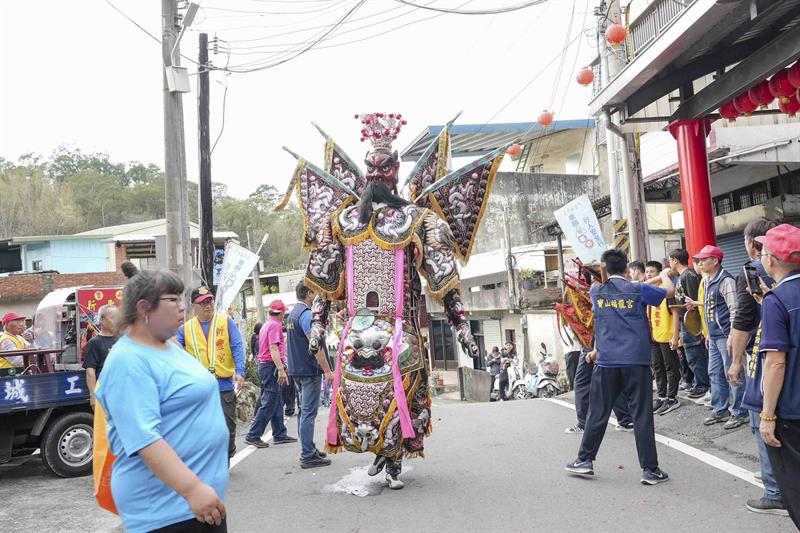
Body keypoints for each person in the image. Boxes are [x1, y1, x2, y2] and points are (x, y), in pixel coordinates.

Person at [278, 112, 484, 490]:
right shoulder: (342, 222)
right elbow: (325, 280)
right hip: (355, 329)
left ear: (395, 172)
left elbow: (443, 279)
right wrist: (319, 324)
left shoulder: (420, 220)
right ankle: (382, 451)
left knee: (402, 392)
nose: (376, 176)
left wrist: (462, 328)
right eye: (371, 168)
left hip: (400, 328)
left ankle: (393, 459)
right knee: (359, 396)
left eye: (383, 168)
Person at [95, 267, 229, 532]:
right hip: (167, 511)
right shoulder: (128, 361)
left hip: (197, 504)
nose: (182, 307)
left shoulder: (168, 346)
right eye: (173, 300)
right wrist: (191, 489)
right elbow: (145, 438)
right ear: (144, 308)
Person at [566, 249, 674, 485]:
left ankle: (584, 460)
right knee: (642, 415)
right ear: (627, 269)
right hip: (636, 361)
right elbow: (668, 291)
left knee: (598, 412)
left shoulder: (596, 291)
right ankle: (650, 469)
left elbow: (612, 282)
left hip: (606, 362)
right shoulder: (638, 289)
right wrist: (665, 274)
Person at [726, 219, 786, 515]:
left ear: (752, 244)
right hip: (791, 353)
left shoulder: (751, 271)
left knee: (762, 418)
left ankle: (774, 489)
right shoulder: (792, 273)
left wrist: (736, 361)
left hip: (766, 357)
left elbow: (743, 321)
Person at [752, 224, 800, 528]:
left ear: (770, 260)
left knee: (795, 489)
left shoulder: (777, 300)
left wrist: (767, 416)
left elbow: (775, 363)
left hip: (792, 412)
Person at [175, 287, 246, 460]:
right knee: (203, 427)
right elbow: (174, 353)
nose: (208, 306)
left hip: (223, 385)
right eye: (203, 303)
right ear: (194, 306)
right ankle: (214, 460)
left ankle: (228, 452)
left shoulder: (225, 321)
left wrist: (240, 371)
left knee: (227, 425)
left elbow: (237, 345)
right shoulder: (185, 329)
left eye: (210, 301)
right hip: (199, 388)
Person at [693, 245, 747, 430]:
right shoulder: (708, 280)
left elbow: (734, 310)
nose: (699, 263)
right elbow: (710, 307)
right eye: (698, 260)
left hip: (725, 335)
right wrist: (708, 333)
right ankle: (720, 409)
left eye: (703, 260)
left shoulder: (726, 281)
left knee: (732, 372)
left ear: (715, 261)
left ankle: (740, 411)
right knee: (715, 372)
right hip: (714, 336)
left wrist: (733, 335)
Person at [287, 283, 335, 469]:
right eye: (315, 292)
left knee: (303, 412)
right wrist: (327, 370)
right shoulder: (307, 315)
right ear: (309, 294)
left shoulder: (293, 314)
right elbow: (315, 346)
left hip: (297, 370)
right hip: (309, 370)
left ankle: (309, 448)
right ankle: (307, 454)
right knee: (308, 412)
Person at [244, 300, 298, 448]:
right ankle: (253, 434)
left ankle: (279, 433)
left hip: (266, 365)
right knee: (269, 401)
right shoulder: (275, 326)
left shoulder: (267, 324)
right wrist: (281, 368)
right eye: (283, 313)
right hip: (270, 366)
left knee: (276, 399)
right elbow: (273, 348)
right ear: (280, 313)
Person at [668, 249, 709, 400]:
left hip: (691, 321)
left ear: (675, 260)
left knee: (695, 354)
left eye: (670, 260)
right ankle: (700, 383)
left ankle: (702, 385)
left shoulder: (688, 276)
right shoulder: (682, 276)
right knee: (691, 355)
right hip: (686, 321)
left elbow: (694, 301)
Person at [645, 261, 681, 415]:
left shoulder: (666, 289)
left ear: (659, 273)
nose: (648, 275)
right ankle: (661, 396)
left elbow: (676, 314)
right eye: (647, 272)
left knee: (670, 367)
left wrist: (675, 336)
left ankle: (672, 397)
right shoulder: (651, 290)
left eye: (652, 272)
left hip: (667, 335)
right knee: (658, 366)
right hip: (654, 336)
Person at [83, 305, 118, 411]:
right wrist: (93, 396)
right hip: (105, 393)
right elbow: (90, 371)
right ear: (102, 319)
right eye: (113, 317)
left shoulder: (123, 340)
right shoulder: (95, 342)